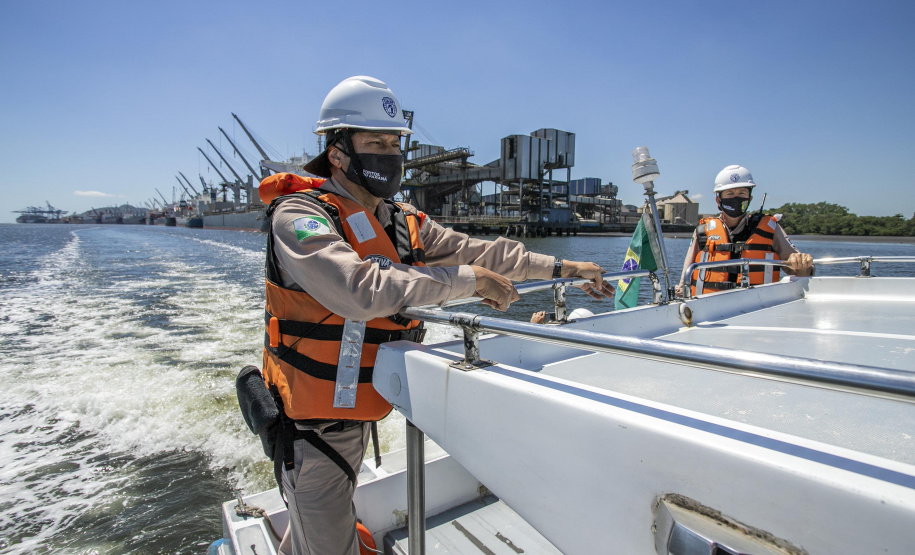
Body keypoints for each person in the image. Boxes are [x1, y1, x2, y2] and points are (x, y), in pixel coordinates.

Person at [261, 75, 615, 555]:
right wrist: (466, 282)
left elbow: (479, 251)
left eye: (394, 143)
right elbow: (358, 288)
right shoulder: (300, 214)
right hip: (310, 427)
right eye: (374, 142)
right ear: (338, 151)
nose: (389, 153)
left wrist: (565, 267)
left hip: (362, 404)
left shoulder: (404, 220)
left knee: (324, 531)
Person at [676, 165, 814, 297]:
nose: (736, 198)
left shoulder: (771, 229)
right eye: (729, 194)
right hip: (710, 308)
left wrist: (801, 263)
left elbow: (797, 268)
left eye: (742, 193)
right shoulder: (702, 232)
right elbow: (685, 279)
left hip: (757, 307)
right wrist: (681, 292)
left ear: (749, 198)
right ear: (719, 200)